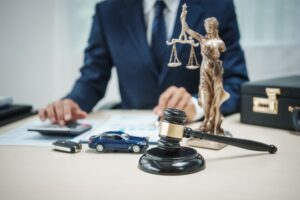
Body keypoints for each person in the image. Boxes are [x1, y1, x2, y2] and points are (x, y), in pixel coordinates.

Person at [39, 0, 249, 125]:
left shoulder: (218, 8)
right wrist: (71, 103)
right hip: (130, 139)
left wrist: (197, 105)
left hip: (192, 137)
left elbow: (235, 85)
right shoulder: (108, 11)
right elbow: (92, 78)